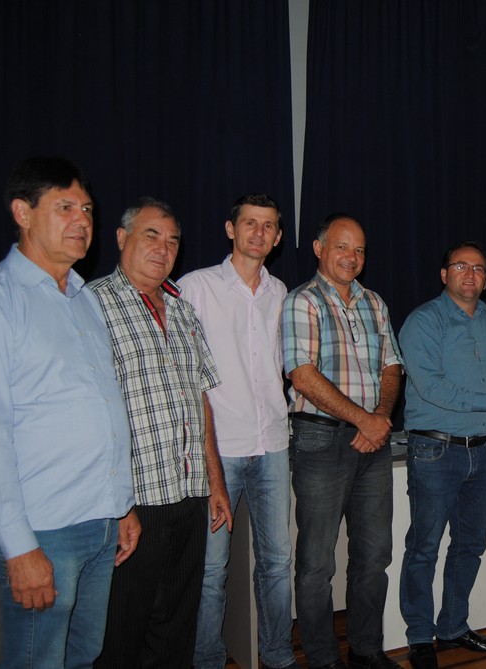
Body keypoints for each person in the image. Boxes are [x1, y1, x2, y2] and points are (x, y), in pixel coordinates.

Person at [0, 157, 139, 669]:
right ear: (23, 213)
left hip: (100, 521)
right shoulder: (1, 300)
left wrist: (121, 506)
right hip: (44, 530)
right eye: (65, 207)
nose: (82, 220)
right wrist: (18, 547)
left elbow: (102, 406)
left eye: (88, 209)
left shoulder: (83, 297)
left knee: (84, 657)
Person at [92, 197, 233, 668]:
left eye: (173, 241)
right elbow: (88, 414)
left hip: (189, 495)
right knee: (122, 631)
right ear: (121, 238)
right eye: (151, 235)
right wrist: (114, 505)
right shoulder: (92, 305)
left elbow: (200, 401)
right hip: (135, 502)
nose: (163, 248)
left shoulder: (183, 310)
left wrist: (215, 483)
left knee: (175, 627)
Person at [180, 194, 297, 669]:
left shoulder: (281, 292)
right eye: (250, 223)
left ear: (278, 237)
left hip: (273, 444)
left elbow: (285, 365)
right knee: (210, 570)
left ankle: (277, 655)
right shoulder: (195, 287)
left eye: (268, 226)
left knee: (277, 563)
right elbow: (184, 373)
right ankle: (206, 659)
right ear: (231, 229)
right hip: (219, 448)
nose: (258, 233)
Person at [282, 213, 404, 669]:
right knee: (317, 564)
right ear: (319, 249)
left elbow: (392, 366)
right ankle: (322, 658)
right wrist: (364, 421)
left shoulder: (375, 302)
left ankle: (366, 650)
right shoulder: (302, 301)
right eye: (341, 246)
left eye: (359, 250)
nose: (352, 257)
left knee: (374, 555)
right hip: (321, 440)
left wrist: (380, 419)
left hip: (373, 440)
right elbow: (302, 375)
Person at [398, 242, 486, 669]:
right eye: (461, 266)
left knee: (471, 544)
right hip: (435, 450)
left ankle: (452, 625)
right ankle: (419, 636)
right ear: (444, 274)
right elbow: (429, 385)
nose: (470, 274)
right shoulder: (423, 321)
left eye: (479, 268)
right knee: (424, 547)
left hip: (481, 452)